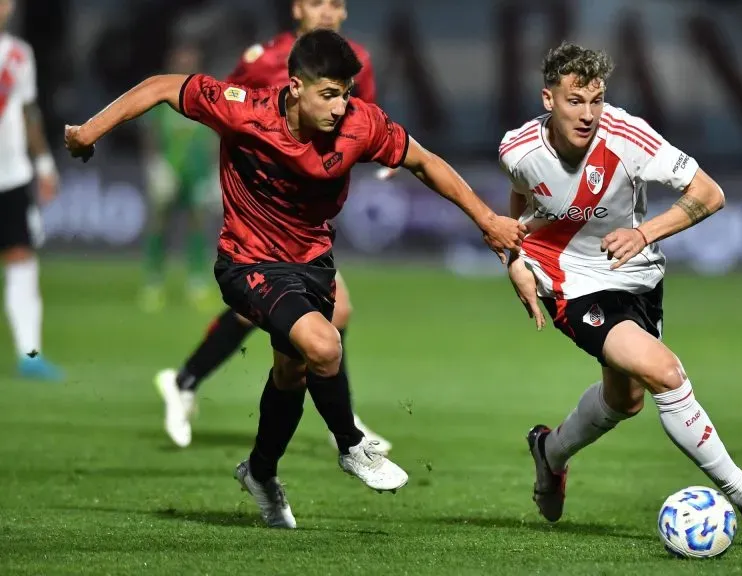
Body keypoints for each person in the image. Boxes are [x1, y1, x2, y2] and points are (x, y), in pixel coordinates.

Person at [65, 29, 525, 529]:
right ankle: (351, 446)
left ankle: (260, 473)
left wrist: (487, 220)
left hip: (313, 265)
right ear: (294, 87)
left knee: (292, 373)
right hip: (247, 262)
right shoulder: (243, 110)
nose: (339, 106)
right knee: (324, 345)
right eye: (328, 94)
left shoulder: (360, 125)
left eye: (346, 93)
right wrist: (90, 130)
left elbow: (424, 161)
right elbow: (159, 86)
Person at [503, 41, 742, 527]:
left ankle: (550, 452)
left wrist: (644, 232)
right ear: (548, 100)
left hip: (635, 276)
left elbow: (710, 193)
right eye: (574, 101)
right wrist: (516, 258)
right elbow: (520, 194)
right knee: (665, 373)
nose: (587, 114)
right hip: (569, 282)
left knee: (626, 400)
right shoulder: (517, 150)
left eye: (596, 100)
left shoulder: (627, 136)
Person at [154, 0, 389, 452]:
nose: (328, 12)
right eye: (317, 2)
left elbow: (365, 122)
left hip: (306, 220)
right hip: (260, 216)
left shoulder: (355, 61)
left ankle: (185, 380)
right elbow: (223, 112)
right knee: (328, 314)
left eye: (336, 4)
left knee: (287, 313)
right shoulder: (262, 60)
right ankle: (345, 425)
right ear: (297, 7)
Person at [0, 0, 62, 381]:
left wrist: (43, 165)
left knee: (21, 259)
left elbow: (28, 112)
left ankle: (30, 354)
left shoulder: (19, 55)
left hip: (11, 175)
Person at [139, 39, 218, 312]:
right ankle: (153, 283)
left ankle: (196, 283)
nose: (185, 65)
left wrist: (215, 172)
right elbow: (149, 133)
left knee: (198, 227)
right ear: (172, 62)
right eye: (181, 60)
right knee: (159, 224)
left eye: (190, 60)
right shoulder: (161, 95)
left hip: (197, 173)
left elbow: (215, 136)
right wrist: (154, 166)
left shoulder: (208, 96)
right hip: (169, 170)